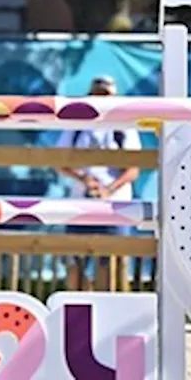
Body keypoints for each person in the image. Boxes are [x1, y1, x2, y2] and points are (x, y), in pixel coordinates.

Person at [57, 76, 141, 288]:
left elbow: (133, 169)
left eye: (106, 96)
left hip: (116, 205)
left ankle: (113, 308)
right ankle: (76, 306)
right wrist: (84, 179)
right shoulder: (76, 125)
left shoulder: (124, 127)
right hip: (81, 202)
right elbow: (59, 161)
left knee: (115, 264)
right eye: (98, 95)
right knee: (74, 262)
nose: (101, 100)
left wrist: (108, 189)